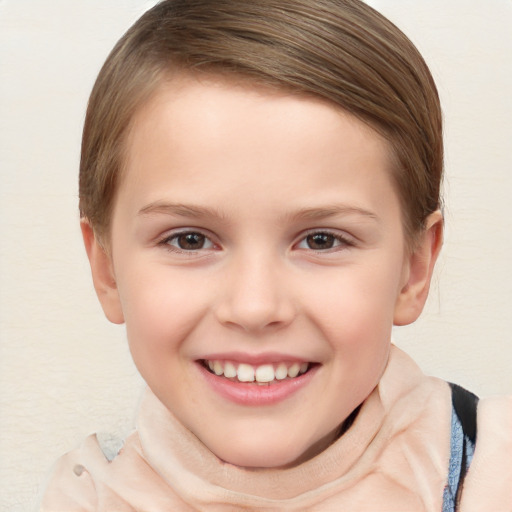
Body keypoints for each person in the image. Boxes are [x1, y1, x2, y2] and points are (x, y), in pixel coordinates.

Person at [40, 0, 512, 510]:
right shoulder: (82, 497)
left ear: (413, 271)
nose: (255, 307)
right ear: (107, 270)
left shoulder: (494, 476)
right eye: (190, 239)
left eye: (322, 240)